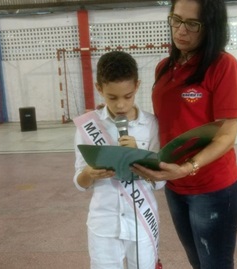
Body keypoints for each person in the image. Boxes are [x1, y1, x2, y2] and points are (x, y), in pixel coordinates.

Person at [131, 0, 237, 268]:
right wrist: (114, 112)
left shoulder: (223, 66)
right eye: (176, 19)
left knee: (214, 263)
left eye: (192, 24)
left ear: (211, 27)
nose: (181, 30)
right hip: (175, 186)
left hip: (213, 188)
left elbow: (227, 136)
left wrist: (188, 168)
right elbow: (163, 121)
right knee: (196, 261)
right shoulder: (163, 68)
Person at [73, 51, 164, 269]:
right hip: (103, 222)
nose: (121, 105)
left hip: (141, 220)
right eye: (112, 98)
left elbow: (160, 181)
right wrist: (89, 174)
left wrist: (139, 158)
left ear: (137, 86)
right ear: (99, 89)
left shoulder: (151, 125)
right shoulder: (88, 126)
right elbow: (79, 182)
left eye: (128, 96)